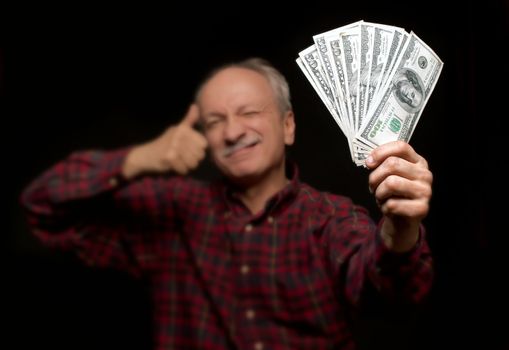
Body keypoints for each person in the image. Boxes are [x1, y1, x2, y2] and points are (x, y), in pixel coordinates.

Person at [20, 57, 433, 350]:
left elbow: (392, 296)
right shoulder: (172, 208)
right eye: (214, 121)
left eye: (248, 112)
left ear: (287, 126)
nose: (232, 131)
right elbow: (42, 207)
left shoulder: (332, 218)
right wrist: (140, 158)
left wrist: (399, 228)